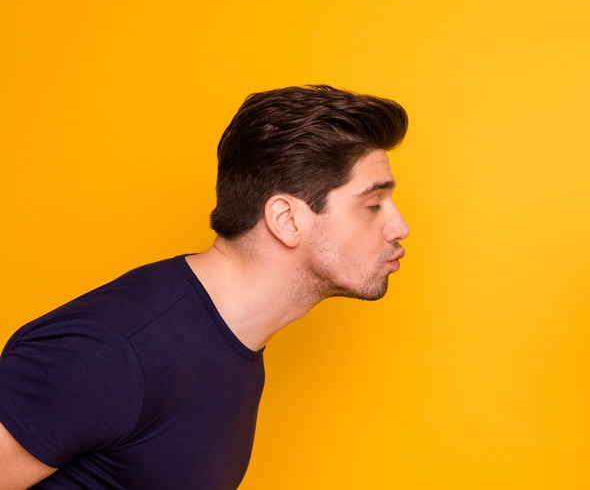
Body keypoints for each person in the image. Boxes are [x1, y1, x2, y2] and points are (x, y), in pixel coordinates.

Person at [0, 85, 411, 489]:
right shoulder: (109, 352)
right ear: (286, 219)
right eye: (372, 205)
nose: (400, 227)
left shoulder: (235, 345)